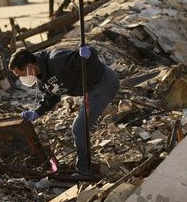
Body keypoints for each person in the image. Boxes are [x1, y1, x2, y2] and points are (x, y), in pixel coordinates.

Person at [10, 45, 119, 173]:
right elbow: (52, 98)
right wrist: (37, 112)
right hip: (89, 90)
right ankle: (85, 165)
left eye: (20, 74)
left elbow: (88, 55)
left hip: (103, 83)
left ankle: (84, 170)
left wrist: (89, 54)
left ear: (29, 66)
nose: (21, 78)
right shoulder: (41, 80)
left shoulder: (56, 60)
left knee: (79, 129)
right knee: (80, 127)